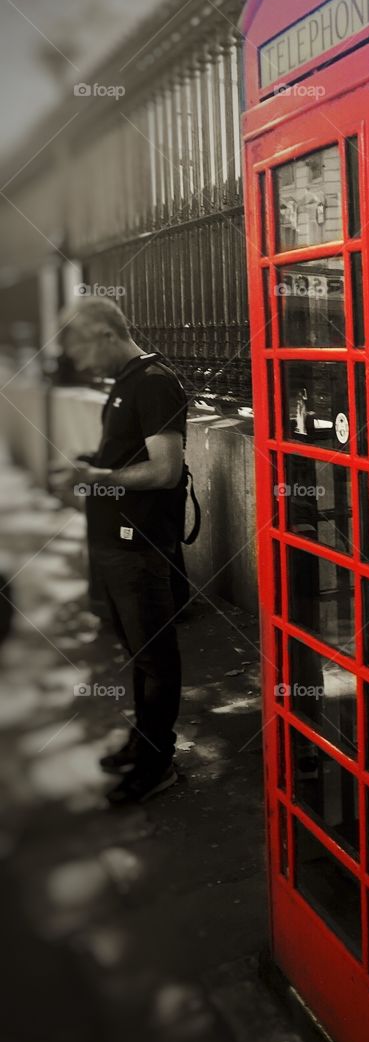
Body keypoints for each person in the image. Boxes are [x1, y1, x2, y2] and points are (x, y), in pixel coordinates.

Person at [52, 298, 188, 806]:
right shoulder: (127, 382)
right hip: (116, 543)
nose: (82, 363)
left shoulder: (153, 382)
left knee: (156, 658)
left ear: (106, 335)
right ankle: (143, 741)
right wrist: (94, 465)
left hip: (140, 544)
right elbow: (129, 456)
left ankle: (158, 762)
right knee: (139, 652)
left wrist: (99, 476)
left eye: (83, 351)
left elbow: (165, 470)